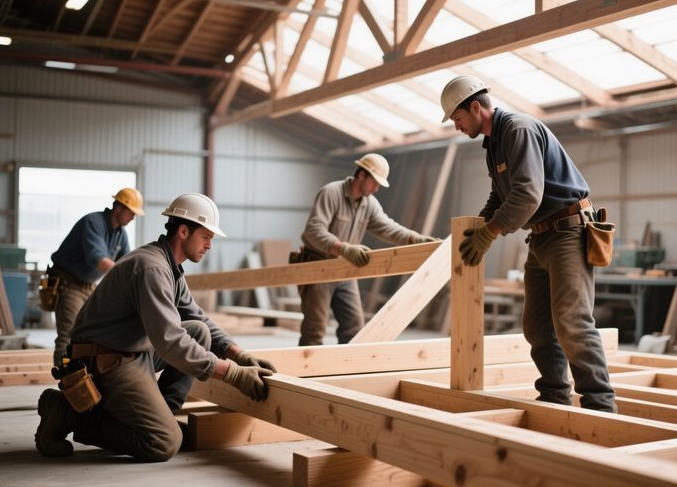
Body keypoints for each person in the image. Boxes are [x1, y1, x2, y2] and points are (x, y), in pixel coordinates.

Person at [34, 192, 276, 461]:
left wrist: (238, 354)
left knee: (199, 331)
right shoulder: (152, 269)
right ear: (184, 231)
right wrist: (233, 374)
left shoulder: (168, 266)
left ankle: (161, 417)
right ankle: (66, 413)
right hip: (105, 361)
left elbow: (199, 318)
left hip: (129, 351)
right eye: (206, 237)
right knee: (163, 442)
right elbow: (171, 341)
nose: (209, 245)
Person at [440, 75, 616, 413]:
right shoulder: (494, 143)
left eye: (458, 119)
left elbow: (527, 195)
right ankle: (554, 395)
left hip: (568, 233)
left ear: (476, 107)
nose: (457, 127)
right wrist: (477, 225)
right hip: (541, 237)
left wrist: (489, 232)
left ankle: (600, 405)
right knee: (537, 325)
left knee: (571, 320)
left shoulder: (518, 130)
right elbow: (501, 194)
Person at [294, 153, 438, 346]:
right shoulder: (331, 193)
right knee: (315, 329)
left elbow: (389, 228)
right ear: (361, 175)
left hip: (345, 271)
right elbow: (313, 231)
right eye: (375, 182)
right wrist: (344, 248)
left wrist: (416, 239)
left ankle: (350, 370)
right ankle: (305, 373)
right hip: (317, 266)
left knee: (354, 328)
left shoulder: (368, 203)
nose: (377, 188)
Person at [46, 188, 145, 368]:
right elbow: (97, 259)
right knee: (69, 336)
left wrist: (139, 277)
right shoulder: (94, 222)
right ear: (120, 208)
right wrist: (125, 277)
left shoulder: (120, 233)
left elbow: (126, 262)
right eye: (132, 213)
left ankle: (81, 379)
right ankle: (65, 383)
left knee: (88, 335)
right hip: (68, 284)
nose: (133, 218)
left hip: (88, 285)